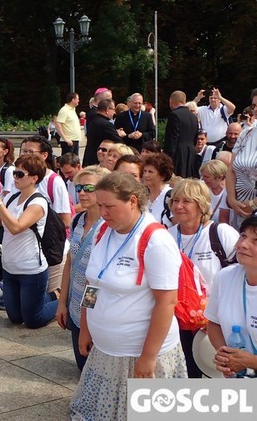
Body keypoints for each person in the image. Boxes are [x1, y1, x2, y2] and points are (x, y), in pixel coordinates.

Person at [71, 172, 187, 420]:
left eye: (110, 206)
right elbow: (93, 284)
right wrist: (85, 326)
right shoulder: (104, 230)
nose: (103, 213)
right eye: (100, 205)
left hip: (138, 352)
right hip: (106, 350)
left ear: (133, 201)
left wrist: (148, 357)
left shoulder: (156, 240)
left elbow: (166, 302)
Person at [167, 179, 238, 378]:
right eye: (175, 200)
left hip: (213, 324)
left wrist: (218, 319)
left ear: (201, 205)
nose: (179, 206)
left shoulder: (220, 233)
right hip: (176, 323)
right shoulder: (166, 237)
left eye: (187, 201)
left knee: (213, 377)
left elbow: (238, 277)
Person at [0, 154, 58, 328]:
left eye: (20, 174)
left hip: (31, 269)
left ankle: (61, 301)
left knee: (32, 320)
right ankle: (45, 298)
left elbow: (16, 227)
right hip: (10, 267)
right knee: (15, 317)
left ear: (34, 178)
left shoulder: (38, 202)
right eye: (15, 173)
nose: (15, 177)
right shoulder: (12, 198)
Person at [56, 165, 110, 370]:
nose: (81, 193)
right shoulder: (78, 219)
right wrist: (62, 302)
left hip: (94, 308)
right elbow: (70, 260)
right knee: (82, 367)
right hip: (75, 303)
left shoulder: (108, 227)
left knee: (95, 370)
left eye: (89, 188)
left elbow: (97, 279)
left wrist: (87, 313)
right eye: (79, 188)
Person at [206, 216, 257, 378]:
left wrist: (252, 362)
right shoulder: (225, 277)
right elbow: (214, 323)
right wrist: (226, 357)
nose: (242, 244)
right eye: (243, 236)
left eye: (256, 240)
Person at [20, 136, 72, 294]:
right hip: (24, 247)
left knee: (51, 293)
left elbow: (65, 221)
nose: (26, 155)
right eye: (23, 151)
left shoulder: (53, 181)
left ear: (44, 155)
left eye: (31, 151)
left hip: (49, 248)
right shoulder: (18, 178)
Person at [225, 122, 257, 227]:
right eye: (254, 105)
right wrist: (232, 199)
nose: (255, 108)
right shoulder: (246, 133)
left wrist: (253, 204)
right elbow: (231, 169)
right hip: (240, 207)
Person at [164, 91, 200, 179]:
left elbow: (171, 140)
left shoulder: (174, 115)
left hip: (178, 155)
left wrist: (167, 159)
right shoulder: (194, 117)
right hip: (191, 153)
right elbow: (195, 138)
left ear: (171, 101)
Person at [84, 99, 122, 166]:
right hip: (100, 159)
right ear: (107, 110)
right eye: (113, 109)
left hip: (90, 156)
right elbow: (118, 142)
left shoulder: (93, 120)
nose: (114, 113)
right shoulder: (106, 124)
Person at [142, 153, 175, 227]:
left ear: (162, 176)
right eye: (145, 171)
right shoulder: (143, 196)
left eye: (150, 172)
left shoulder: (171, 196)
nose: (145, 175)